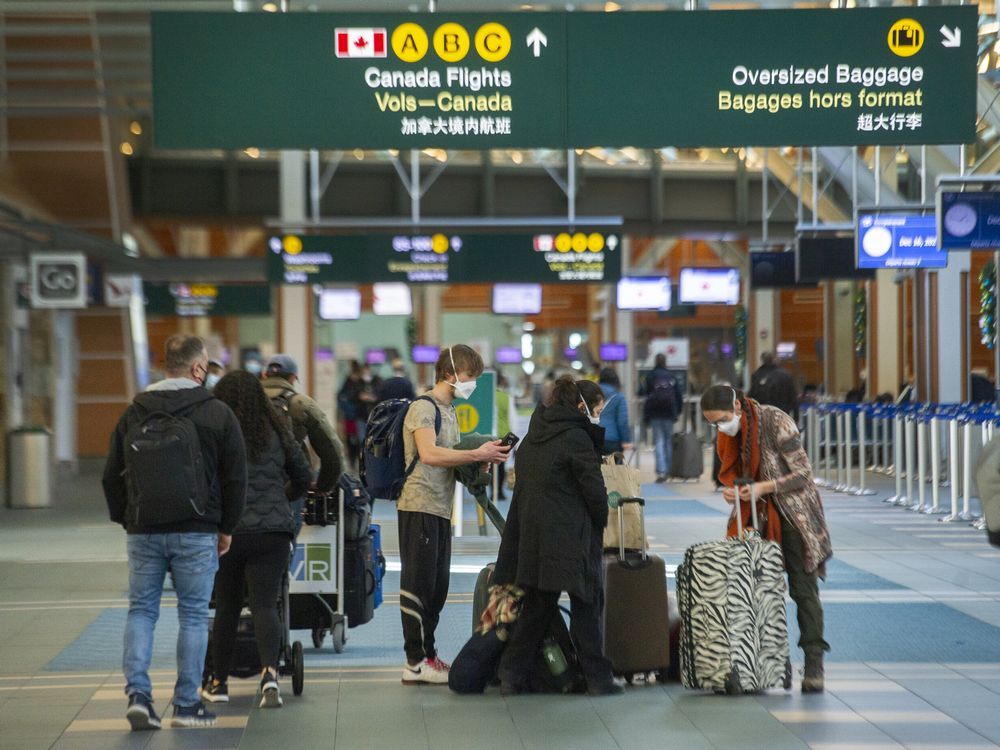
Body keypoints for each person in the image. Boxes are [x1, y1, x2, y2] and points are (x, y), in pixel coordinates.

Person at [102, 334, 248, 731]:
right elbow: (236, 477)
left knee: (142, 610)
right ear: (199, 368)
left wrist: (129, 519)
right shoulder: (217, 412)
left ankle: (139, 697)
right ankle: (186, 706)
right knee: (194, 616)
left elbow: (110, 475)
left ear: (166, 364)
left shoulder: (134, 411)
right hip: (197, 530)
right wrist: (226, 527)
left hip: (143, 529)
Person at [493, 377, 623, 696]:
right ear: (581, 407)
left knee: (537, 608)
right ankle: (598, 678)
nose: (598, 416)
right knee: (586, 604)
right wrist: (602, 520)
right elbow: (594, 489)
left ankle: (511, 674)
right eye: (597, 410)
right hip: (571, 536)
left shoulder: (536, 432)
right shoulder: (577, 437)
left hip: (533, 537)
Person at [700, 384, 832, 693]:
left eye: (721, 419)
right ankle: (764, 662)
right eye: (713, 423)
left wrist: (764, 487)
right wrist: (734, 492)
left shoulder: (775, 421)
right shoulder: (731, 433)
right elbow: (736, 474)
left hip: (795, 518)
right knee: (755, 592)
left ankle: (814, 662)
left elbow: (803, 474)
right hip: (757, 518)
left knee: (803, 590)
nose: (719, 427)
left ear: (736, 406)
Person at [397, 344, 510, 685]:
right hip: (418, 505)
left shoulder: (449, 411)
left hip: (441, 507)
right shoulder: (422, 408)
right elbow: (429, 454)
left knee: (437, 587)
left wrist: (479, 459)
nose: (472, 383)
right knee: (417, 585)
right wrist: (476, 451)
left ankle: (428, 655)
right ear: (450, 374)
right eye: (469, 376)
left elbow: (451, 458)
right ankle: (414, 661)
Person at [203, 371, 313, 709]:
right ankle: (270, 676)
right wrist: (282, 497)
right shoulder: (277, 429)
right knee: (267, 604)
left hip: (229, 532)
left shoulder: (215, 432)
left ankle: (218, 682)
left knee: (227, 607)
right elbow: (304, 475)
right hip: (273, 533)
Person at [261, 354, 345, 532]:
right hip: (288, 487)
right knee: (282, 544)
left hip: (245, 489)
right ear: (293, 378)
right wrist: (324, 485)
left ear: (264, 375)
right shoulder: (300, 403)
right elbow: (333, 451)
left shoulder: (244, 401)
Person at [642, 354, 683, 483]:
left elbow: (644, 392)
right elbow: (678, 395)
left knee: (659, 441)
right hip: (669, 413)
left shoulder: (651, 376)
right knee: (668, 441)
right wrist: (677, 411)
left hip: (655, 413)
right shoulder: (671, 376)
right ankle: (669, 470)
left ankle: (661, 471)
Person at [749, 352, 798, 419]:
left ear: (762, 360)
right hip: (783, 415)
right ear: (773, 359)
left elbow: (752, 398)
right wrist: (796, 416)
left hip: (763, 416)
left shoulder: (756, 375)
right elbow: (793, 397)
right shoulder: (785, 375)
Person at [597, 367, 632, 456]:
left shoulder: (592, 394)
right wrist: (626, 440)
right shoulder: (619, 397)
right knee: (614, 468)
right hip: (612, 439)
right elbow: (622, 421)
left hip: (594, 437)